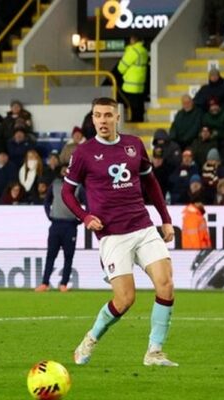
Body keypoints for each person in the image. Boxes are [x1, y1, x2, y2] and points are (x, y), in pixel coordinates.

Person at [62, 97, 178, 367]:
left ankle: (155, 352)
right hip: (112, 234)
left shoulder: (134, 145)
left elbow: (151, 182)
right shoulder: (83, 153)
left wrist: (166, 219)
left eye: (107, 115)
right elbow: (67, 191)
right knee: (125, 299)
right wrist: (85, 216)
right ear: (93, 119)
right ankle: (90, 339)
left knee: (166, 283)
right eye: (97, 115)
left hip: (143, 226)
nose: (102, 120)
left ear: (117, 118)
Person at [36, 165, 81, 292]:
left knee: (68, 256)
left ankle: (64, 284)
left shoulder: (78, 186)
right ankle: (45, 283)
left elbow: (88, 204)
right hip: (56, 224)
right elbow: (47, 201)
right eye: (63, 170)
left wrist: (80, 219)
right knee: (51, 255)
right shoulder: (55, 184)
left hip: (70, 225)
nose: (65, 172)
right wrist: (49, 215)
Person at [117, 35, 149, 123]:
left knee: (130, 102)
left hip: (130, 83)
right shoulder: (144, 51)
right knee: (139, 102)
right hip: (140, 83)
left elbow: (121, 67)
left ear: (133, 40)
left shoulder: (133, 51)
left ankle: (133, 120)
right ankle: (139, 119)